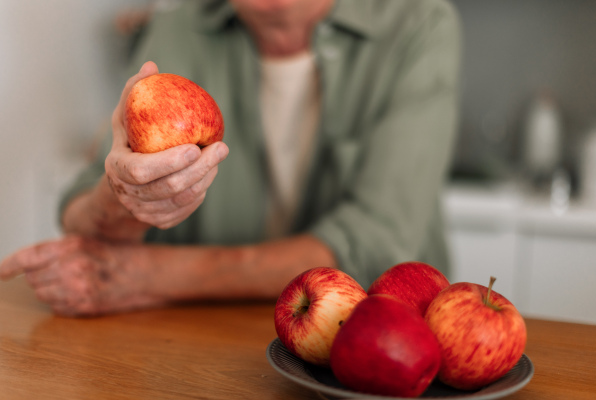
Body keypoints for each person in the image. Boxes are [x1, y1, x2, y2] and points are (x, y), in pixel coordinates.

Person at [0, 0, 462, 317]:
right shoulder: (180, 26)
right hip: (197, 339)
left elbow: (377, 241)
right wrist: (122, 195)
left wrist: (153, 278)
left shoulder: (419, 23)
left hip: (370, 344)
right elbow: (83, 207)